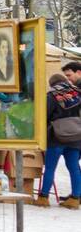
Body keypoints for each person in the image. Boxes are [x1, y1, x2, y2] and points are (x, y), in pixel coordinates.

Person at [40, 72, 81, 209]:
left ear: (52, 84)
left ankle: (44, 198)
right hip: (76, 136)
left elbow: (44, 115)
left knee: (51, 167)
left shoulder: (51, 95)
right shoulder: (77, 93)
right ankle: (75, 199)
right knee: (74, 167)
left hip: (56, 137)